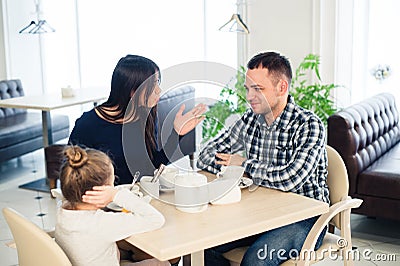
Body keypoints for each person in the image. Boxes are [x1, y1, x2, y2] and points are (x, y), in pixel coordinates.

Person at [197, 51, 330, 266]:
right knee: (200, 247)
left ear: (282, 88)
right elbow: (205, 155)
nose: (249, 96)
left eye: (258, 89)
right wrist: (234, 165)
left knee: (256, 259)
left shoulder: (308, 124)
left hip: (305, 217)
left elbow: (290, 179)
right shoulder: (250, 119)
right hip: (260, 212)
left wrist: (244, 164)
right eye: (248, 89)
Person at [69, 54, 206, 185]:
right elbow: (72, 176)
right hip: (101, 203)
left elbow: (151, 167)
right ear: (132, 90)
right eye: (153, 84)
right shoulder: (88, 124)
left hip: (135, 198)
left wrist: (176, 133)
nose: (159, 90)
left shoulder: (144, 116)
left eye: (158, 82)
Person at [55, 145, 169, 266]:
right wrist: (116, 195)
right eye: (112, 182)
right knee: (162, 263)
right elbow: (156, 219)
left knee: (130, 249)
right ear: (101, 190)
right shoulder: (102, 223)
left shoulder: (62, 211)